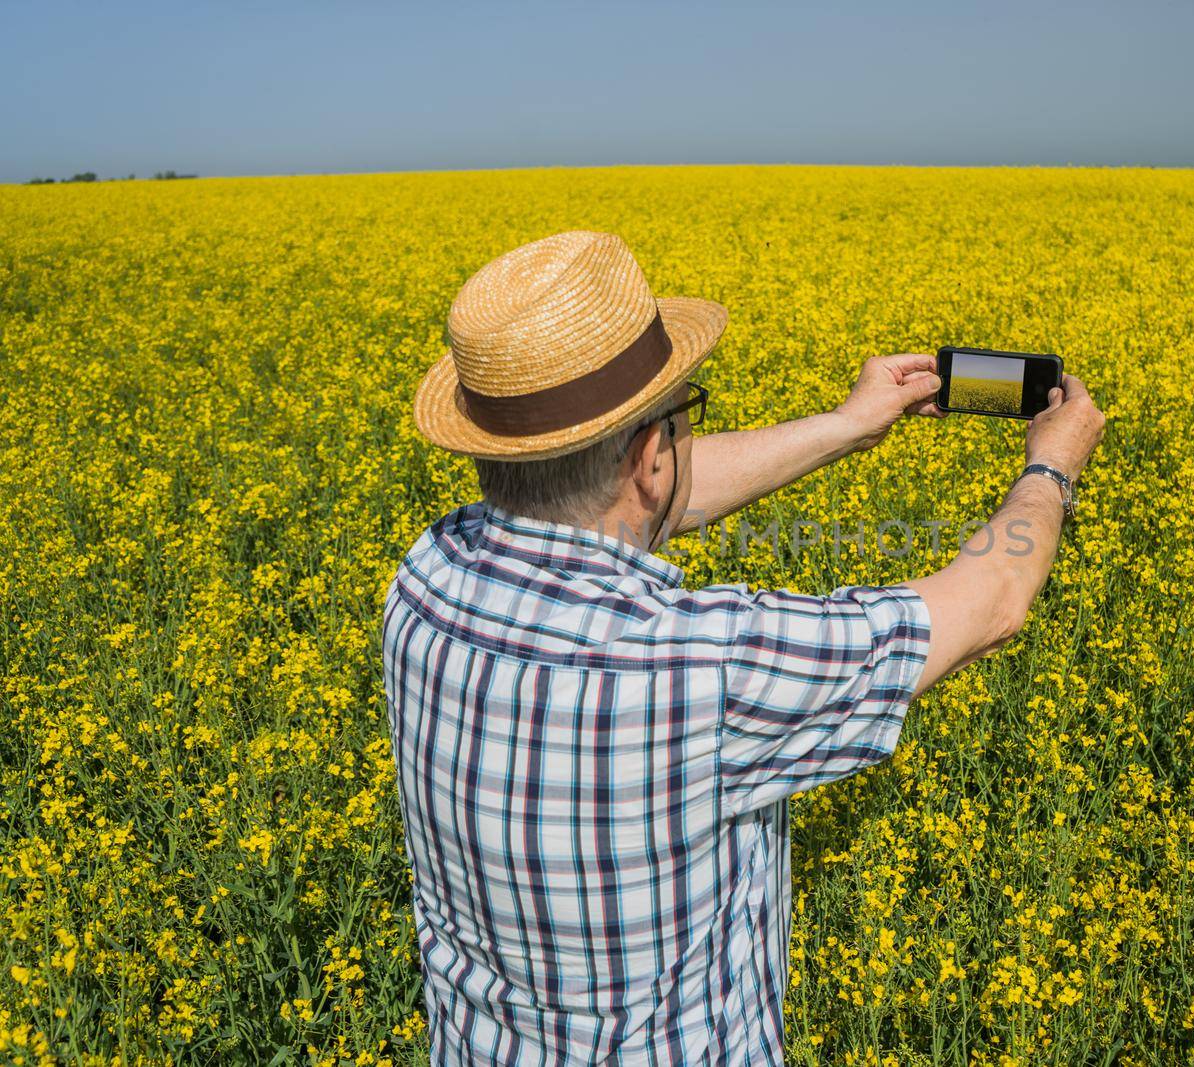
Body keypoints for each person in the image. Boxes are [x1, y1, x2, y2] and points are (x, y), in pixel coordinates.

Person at [383, 230, 1104, 1066]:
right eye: (684, 421)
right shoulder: (700, 668)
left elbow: (636, 499)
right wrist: (1050, 470)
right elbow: (990, 604)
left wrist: (846, 426)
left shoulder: (427, 574)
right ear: (652, 453)